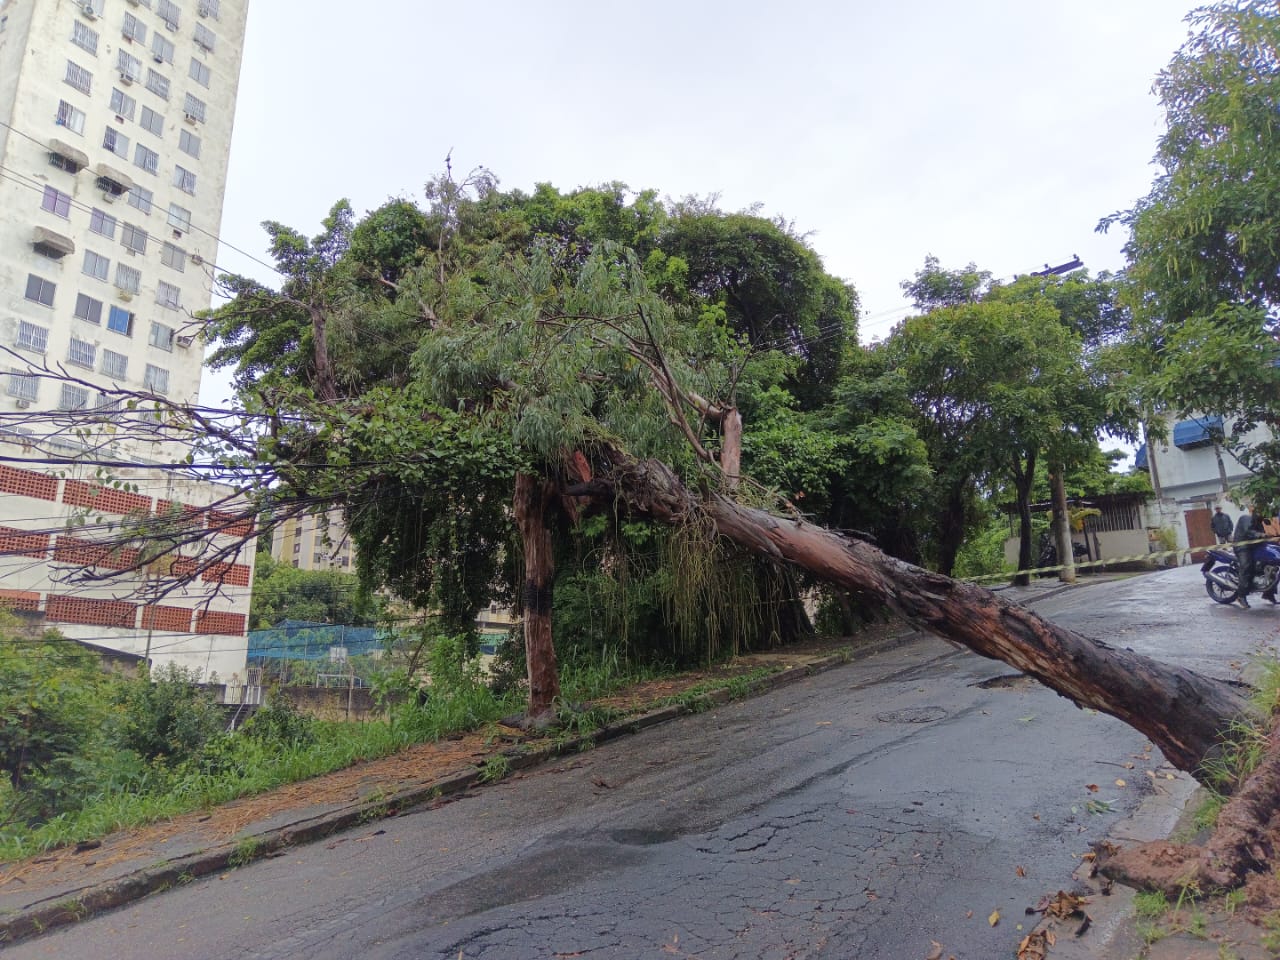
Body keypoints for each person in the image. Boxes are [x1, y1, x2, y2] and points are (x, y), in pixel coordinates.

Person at [1232, 506, 1270, 608]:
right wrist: (1260, 535)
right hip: (1242, 547)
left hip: (1253, 547)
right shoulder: (1246, 518)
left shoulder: (1259, 522)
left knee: (1267, 563)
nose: (1263, 516)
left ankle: (1268, 593)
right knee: (1246, 566)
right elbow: (1249, 532)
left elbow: (1264, 534)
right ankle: (1241, 596)